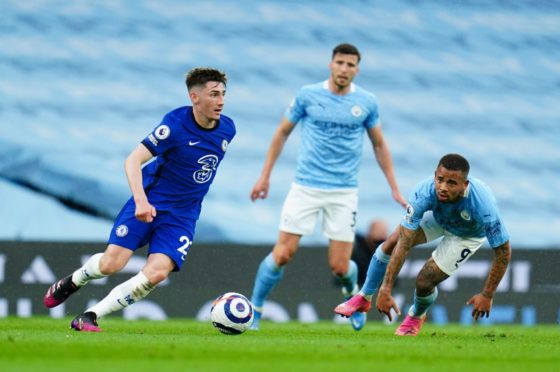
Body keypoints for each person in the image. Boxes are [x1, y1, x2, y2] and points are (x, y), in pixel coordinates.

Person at [43, 67, 236, 331]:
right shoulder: (174, 126)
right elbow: (133, 160)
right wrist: (141, 200)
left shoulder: (228, 129)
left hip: (183, 215)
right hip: (149, 201)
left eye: (223, 94)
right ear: (194, 97)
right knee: (113, 263)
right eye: (214, 94)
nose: (221, 101)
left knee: (156, 273)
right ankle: (74, 281)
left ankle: (90, 316)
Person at [249, 43, 407, 331]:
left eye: (350, 65)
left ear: (357, 69)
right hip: (305, 187)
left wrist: (394, 188)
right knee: (283, 253)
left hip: (343, 192)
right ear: (330, 64)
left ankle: (353, 298)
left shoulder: (367, 102)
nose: (344, 69)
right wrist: (265, 176)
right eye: (340, 63)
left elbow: (379, 144)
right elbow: (281, 133)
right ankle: (255, 311)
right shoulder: (308, 95)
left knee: (340, 266)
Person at [335, 153, 511, 336]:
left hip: (468, 234)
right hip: (439, 218)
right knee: (393, 241)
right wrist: (385, 290)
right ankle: (364, 296)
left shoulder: (483, 206)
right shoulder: (424, 191)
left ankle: (416, 316)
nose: (443, 187)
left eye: (451, 183)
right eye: (440, 179)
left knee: (424, 281)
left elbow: (504, 253)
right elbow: (404, 243)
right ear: (435, 175)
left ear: (465, 185)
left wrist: (487, 294)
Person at [352, 219, 388, 286]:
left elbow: (393, 281)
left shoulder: (388, 252)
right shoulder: (356, 248)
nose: (379, 244)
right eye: (377, 241)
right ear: (369, 233)